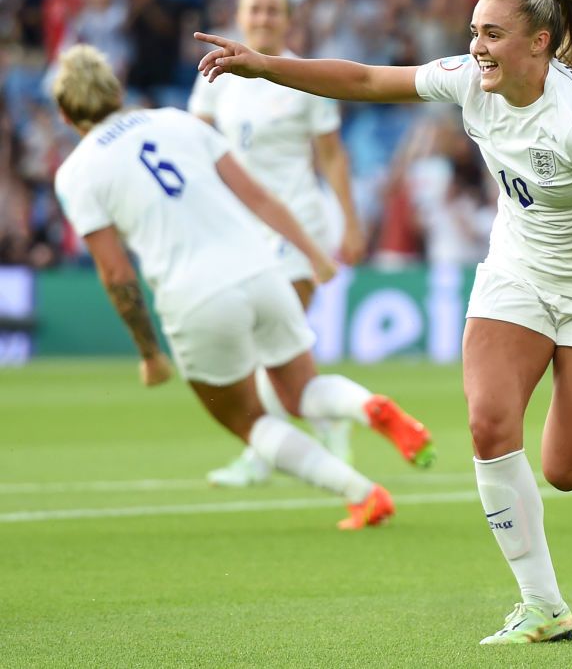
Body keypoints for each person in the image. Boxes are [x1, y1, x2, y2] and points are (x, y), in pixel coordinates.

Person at [196, 0, 572, 645]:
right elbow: (368, 80)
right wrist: (266, 67)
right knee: (489, 427)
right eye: (474, 32)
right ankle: (542, 605)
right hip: (516, 271)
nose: (478, 46)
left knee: (564, 471)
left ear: (541, 43)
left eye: (493, 34)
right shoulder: (469, 79)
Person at [52, 44, 435, 531]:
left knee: (248, 419)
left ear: (65, 115)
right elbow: (257, 195)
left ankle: (362, 494)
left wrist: (149, 352)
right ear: (117, 91)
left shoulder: (77, 172)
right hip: (260, 269)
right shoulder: (176, 121)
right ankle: (368, 405)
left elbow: (116, 274)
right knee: (304, 389)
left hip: (195, 297)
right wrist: (314, 254)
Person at [188, 0, 373, 487]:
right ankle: (321, 422)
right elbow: (197, 152)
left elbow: (332, 155)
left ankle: (262, 452)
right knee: (258, 345)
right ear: (240, 17)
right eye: (256, 9)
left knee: (270, 343)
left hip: (297, 227)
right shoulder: (215, 74)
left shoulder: (304, 78)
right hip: (237, 232)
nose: (265, 17)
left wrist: (351, 222)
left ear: (288, 20)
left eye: (274, 10)